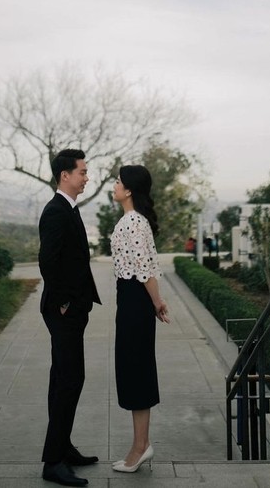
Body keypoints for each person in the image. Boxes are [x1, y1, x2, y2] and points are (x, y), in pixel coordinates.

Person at [38, 148, 101, 487]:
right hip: (63, 310)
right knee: (70, 380)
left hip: (74, 308)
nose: (86, 177)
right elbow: (47, 260)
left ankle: (63, 448)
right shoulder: (56, 211)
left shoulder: (69, 207)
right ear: (65, 175)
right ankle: (52, 462)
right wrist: (64, 302)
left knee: (62, 378)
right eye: (82, 172)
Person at [110, 165, 170, 474]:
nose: (115, 185)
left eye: (118, 181)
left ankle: (140, 447)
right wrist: (155, 303)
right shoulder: (134, 220)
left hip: (135, 302)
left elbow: (145, 269)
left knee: (136, 371)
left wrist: (156, 302)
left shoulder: (132, 222)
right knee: (136, 370)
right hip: (133, 301)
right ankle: (140, 445)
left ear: (129, 190)